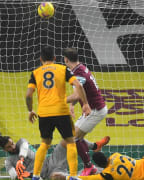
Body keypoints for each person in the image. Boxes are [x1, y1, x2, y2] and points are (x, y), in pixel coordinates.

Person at [25, 46, 91, 180]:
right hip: (61, 111)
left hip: (44, 113)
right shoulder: (62, 69)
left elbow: (28, 95)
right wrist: (85, 104)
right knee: (71, 142)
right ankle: (73, 176)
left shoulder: (35, 72)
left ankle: (36, 176)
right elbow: (78, 85)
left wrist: (30, 110)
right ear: (54, 58)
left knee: (44, 143)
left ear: (40, 59)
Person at [63, 48, 110, 176]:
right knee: (74, 135)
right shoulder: (81, 68)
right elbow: (80, 92)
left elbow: (77, 94)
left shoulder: (77, 74)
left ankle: (89, 167)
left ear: (66, 59)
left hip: (95, 110)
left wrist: (58, 101)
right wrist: (72, 105)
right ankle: (95, 146)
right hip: (94, 109)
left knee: (74, 138)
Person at [0, 136, 69, 180]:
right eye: (9, 147)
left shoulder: (21, 142)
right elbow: (13, 176)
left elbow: (24, 147)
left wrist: (21, 160)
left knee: (65, 141)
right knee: (59, 177)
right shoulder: (8, 161)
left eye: (12, 143)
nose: (13, 147)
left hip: (50, 161)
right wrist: (22, 175)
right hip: (43, 175)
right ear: (4, 149)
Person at [53, 151, 144, 180]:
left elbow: (86, 179)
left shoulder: (107, 174)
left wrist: (65, 177)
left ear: (98, 165)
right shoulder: (116, 155)